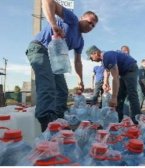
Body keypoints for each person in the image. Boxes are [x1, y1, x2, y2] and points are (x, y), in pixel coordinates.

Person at [25, 0, 98, 132]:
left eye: (93, 26)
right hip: (40, 48)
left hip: (53, 58)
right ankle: (46, 127)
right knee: (48, 88)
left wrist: (80, 79)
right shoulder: (72, 20)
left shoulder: (80, 41)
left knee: (62, 91)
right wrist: (53, 25)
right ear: (82, 18)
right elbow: (48, 2)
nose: (90, 26)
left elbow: (77, 61)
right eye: (89, 21)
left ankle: (58, 120)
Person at [86, 45, 142, 124]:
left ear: (95, 53)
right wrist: (105, 82)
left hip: (130, 69)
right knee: (120, 96)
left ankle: (137, 120)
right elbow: (107, 71)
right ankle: (119, 120)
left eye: (91, 57)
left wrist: (113, 97)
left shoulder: (107, 56)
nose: (91, 60)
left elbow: (115, 77)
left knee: (131, 93)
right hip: (122, 72)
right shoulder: (104, 59)